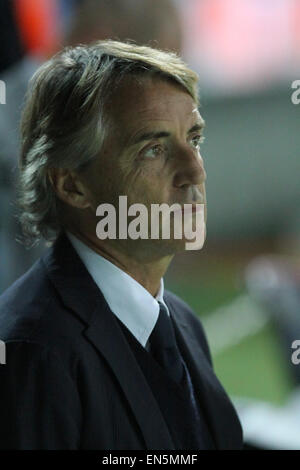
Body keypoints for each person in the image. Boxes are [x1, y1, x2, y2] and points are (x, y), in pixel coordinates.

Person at [0, 40, 243, 450]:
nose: (194, 171)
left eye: (195, 140)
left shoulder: (181, 322)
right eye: (154, 149)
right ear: (73, 184)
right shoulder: (34, 353)